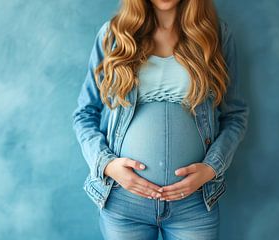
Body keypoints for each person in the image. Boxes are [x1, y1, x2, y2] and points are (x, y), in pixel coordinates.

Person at [72, 0, 249, 239]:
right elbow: (84, 114)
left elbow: (235, 115)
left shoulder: (215, 35)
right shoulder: (114, 35)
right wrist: (108, 165)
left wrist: (211, 168)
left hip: (194, 203)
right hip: (124, 202)